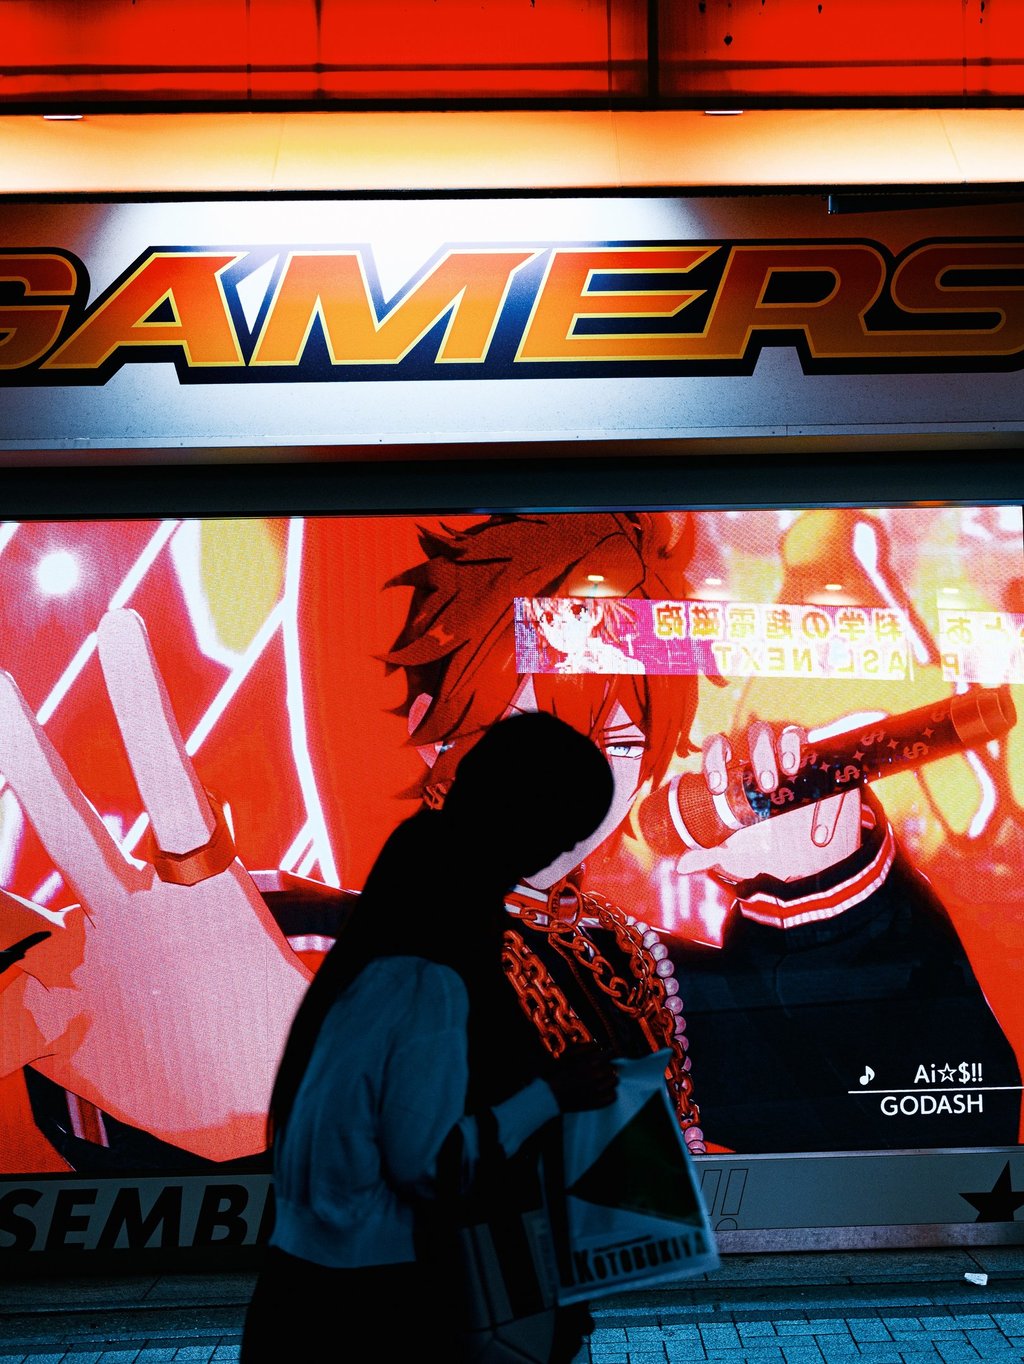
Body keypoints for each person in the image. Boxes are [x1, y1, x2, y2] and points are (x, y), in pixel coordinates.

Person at [240, 711, 620, 1364]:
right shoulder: (430, 978)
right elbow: (430, 1166)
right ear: (537, 837)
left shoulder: (381, 943)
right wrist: (551, 1096)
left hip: (303, 1298)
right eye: (566, 837)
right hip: (373, 1313)